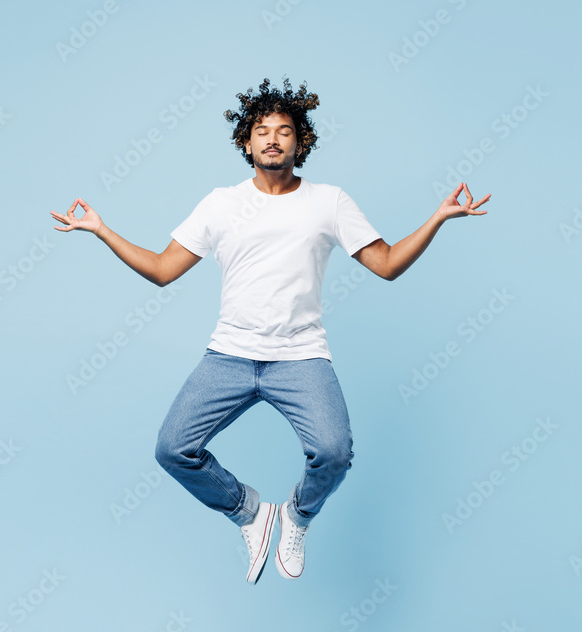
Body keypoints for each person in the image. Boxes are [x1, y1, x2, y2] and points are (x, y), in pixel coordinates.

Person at [51, 77, 490, 584]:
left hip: (301, 357)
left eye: (284, 131)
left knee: (334, 453)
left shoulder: (329, 201)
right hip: (230, 356)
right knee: (173, 448)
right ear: (246, 142)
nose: (273, 139)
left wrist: (437, 217)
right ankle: (251, 513)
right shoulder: (220, 203)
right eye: (262, 131)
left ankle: (297, 517)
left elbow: (387, 263)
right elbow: (161, 269)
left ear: (300, 143)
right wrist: (101, 229)